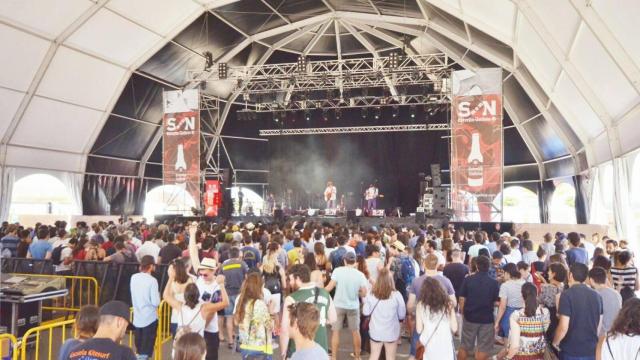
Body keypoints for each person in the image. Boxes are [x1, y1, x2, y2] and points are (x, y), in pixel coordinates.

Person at [280, 264, 337, 359]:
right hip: (321, 348)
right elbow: (333, 318)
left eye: (291, 279)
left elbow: (285, 330)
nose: (290, 283)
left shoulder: (291, 299)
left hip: (298, 351)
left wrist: (283, 354)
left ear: (297, 278)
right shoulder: (325, 294)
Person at [407, 254, 456, 359]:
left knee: (416, 353)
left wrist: (413, 313)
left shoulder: (416, 281)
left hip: (423, 324)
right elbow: (453, 302)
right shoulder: (446, 281)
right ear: (438, 265)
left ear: (424, 264)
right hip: (443, 329)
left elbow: (410, 305)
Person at [188, 223, 224, 360]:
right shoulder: (200, 276)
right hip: (198, 328)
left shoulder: (216, 286)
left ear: (213, 271)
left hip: (209, 330)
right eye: (201, 271)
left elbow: (212, 310)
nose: (202, 274)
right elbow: (193, 254)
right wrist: (192, 234)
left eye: (205, 272)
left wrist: (200, 327)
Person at [553, 263, 603, 360]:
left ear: (570, 275)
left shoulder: (566, 295)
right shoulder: (597, 295)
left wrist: (555, 342)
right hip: (591, 350)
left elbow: (563, 327)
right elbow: (599, 325)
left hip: (571, 350)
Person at [325, 252, 368, 360]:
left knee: (335, 332)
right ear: (355, 262)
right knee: (355, 331)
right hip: (353, 306)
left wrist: (318, 292)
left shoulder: (338, 271)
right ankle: (357, 357)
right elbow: (364, 293)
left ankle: (334, 357)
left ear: (344, 261)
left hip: (338, 305)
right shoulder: (360, 275)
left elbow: (330, 287)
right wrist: (357, 292)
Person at [458, 256, 500, 360]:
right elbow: (496, 302)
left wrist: (463, 313)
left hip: (470, 317)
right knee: (483, 348)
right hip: (487, 319)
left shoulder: (468, 279)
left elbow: (462, 298)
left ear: (476, 266)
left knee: (464, 346)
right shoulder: (494, 283)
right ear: (489, 266)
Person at [67, 300, 137, 359]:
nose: (125, 332)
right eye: (126, 327)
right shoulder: (124, 354)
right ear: (120, 322)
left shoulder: (73, 353)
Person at [362, 268, 406, 360]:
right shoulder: (397, 295)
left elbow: (365, 312)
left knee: (374, 355)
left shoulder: (371, 294)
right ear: (391, 281)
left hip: (375, 331)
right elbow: (402, 315)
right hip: (391, 332)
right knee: (390, 357)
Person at [504, 283, 550, 360]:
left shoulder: (516, 316)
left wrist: (507, 358)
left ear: (522, 296)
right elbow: (543, 332)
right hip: (538, 356)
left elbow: (515, 346)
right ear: (536, 294)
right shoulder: (545, 313)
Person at [416, 276, 458, 360]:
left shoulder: (420, 305)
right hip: (445, 345)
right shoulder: (448, 304)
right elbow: (454, 328)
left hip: (428, 345)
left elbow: (419, 329)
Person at [234, 272, 273, 359]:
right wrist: (271, 312)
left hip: (245, 347)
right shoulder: (259, 304)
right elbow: (270, 326)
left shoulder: (241, 301)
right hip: (260, 348)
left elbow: (236, 322)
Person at [130, 255, 160, 359]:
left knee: (139, 349)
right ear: (151, 266)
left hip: (137, 318)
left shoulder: (134, 277)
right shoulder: (152, 281)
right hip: (150, 318)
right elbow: (156, 302)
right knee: (146, 350)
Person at [221, 247, 249, 349]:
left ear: (229, 255)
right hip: (240, 294)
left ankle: (231, 342)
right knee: (242, 317)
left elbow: (221, 280)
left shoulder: (224, 265)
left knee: (229, 318)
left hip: (227, 295)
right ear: (238, 255)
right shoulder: (242, 264)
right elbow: (248, 277)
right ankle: (242, 340)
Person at [495, 263, 525, 346]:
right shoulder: (524, 283)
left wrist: (497, 322)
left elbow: (502, 306)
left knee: (507, 344)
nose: (503, 275)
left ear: (507, 273)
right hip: (522, 314)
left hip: (509, 314)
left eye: (503, 273)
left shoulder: (505, 286)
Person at [588, 267, 622, 337]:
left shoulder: (594, 296)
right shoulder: (616, 294)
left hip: (601, 336)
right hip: (616, 333)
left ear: (591, 280)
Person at [537, 262, 566, 342]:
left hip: (548, 319)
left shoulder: (544, 288)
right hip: (562, 320)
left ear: (553, 274)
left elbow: (539, 301)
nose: (547, 273)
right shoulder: (563, 286)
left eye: (549, 271)